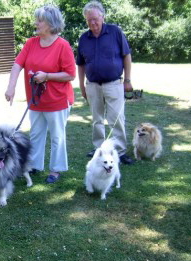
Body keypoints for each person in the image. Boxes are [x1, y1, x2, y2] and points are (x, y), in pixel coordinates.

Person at [5, 4, 76, 184]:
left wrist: (47, 76)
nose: (36, 23)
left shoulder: (63, 46)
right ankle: (35, 165)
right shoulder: (31, 43)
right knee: (36, 134)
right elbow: (17, 65)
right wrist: (11, 87)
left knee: (57, 136)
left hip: (57, 101)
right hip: (36, 101)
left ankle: (56, 169)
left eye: (40, 20)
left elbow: (70, 74)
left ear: (51, 24)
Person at [76, 1, 134, 164]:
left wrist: (128, 80)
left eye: (95, 19)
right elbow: (80, 64)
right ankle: (99, 149)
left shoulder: (115, 32)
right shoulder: (84, 38)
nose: (92, 23)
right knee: (97, 119)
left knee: (117, 118)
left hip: (114, 83)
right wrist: (82, 85)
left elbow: (126, 56)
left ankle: (120, 151)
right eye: (89, 20)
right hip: (93, 85)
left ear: (102, 16)